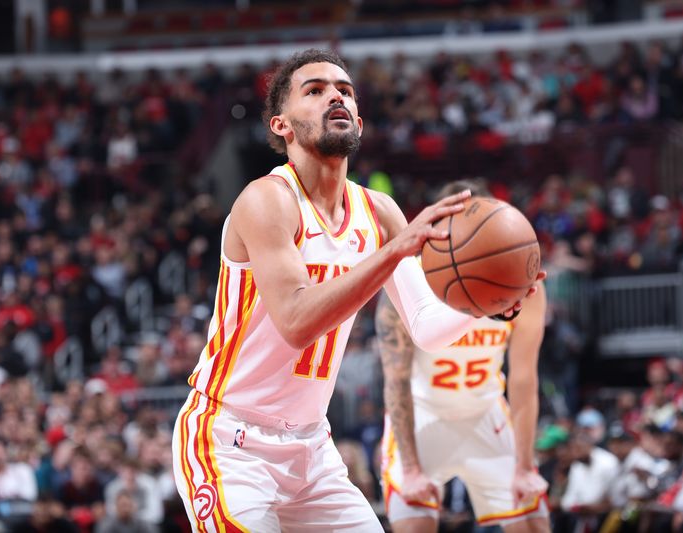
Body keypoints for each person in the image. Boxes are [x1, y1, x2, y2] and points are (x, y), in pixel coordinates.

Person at [171, 49, 542, 532]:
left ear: (359, 121)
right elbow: (297, 322)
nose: (335, 96)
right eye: (315, 90)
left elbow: (427, 329)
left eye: (344, 91)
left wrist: (489, 303)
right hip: (228, 439)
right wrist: (393, 251)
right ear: (281, 125)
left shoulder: (379, 211)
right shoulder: (266, 201)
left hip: (311, 448)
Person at [376, 179, 550, 533]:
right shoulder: (411, 282)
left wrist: (525, 466)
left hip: (485, 413)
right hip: (424, 416)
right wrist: (410, 468)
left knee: (534, 525)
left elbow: (523, 378)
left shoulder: (524, 284)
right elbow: (395, 380)